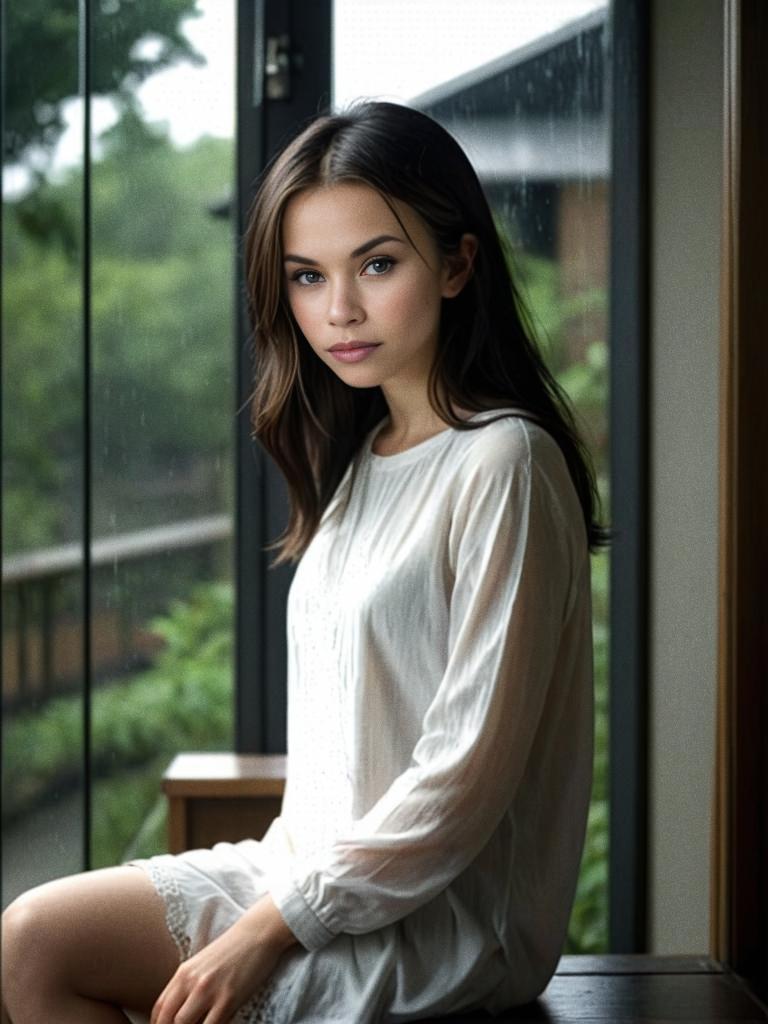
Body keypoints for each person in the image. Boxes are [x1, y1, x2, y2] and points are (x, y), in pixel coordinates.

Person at [1, 100, 607, 1024]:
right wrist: (279, 907)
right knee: (31, 939)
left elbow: (463, 777)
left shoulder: (505, 461)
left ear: (456, 262)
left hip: (440, 923)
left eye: (376, 264)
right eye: (307, 277)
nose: (340, 310)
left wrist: (261, 933)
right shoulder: (361, 461)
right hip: (306, 875)